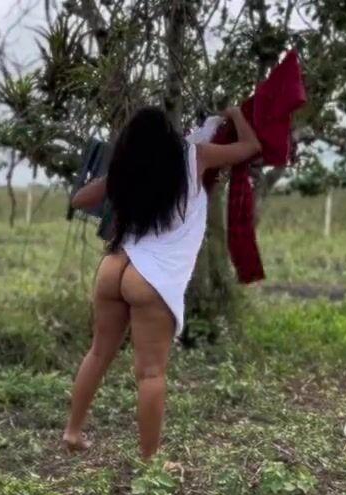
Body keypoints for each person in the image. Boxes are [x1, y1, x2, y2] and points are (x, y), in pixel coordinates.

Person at [62, 105, 260, 461]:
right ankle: (150, 462)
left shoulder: (125, 169)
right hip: (151, 277)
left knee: (98, 353)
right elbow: (250, 147)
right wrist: (235, 114)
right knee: (151, 374)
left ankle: (73, 432)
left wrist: (117, 177)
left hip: (115, 265)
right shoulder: (194, 156)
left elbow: (79, 200)